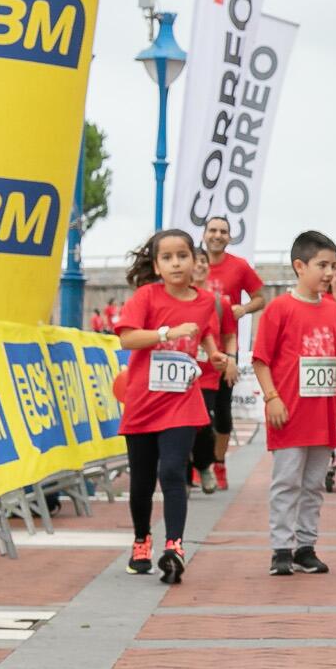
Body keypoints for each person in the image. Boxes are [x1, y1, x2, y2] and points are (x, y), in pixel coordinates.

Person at [113, 229, 222, 585]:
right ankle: (142, 539)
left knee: (174, 471)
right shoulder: (146, 296)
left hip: (181, 402)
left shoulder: (206, 301)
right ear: (157, 266)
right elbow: (127, 336)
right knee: (142, 481)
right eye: (167, 258)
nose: (176, 263)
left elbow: (204, 330)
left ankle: (175, 547)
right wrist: (166, 334)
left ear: (196, 261)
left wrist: (216, 354)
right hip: (143, 402)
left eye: (182, 256)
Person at [252, 230, 336, 577]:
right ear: (299, 266)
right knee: (286, 482)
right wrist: (272, 397)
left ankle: (305, 547)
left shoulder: (335, 312)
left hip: (323, 416)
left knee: (313, 485)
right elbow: (261, 359)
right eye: (322, 265)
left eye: (333, 265)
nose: (329, 273)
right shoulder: (279, 309)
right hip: (289, 413)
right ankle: (281, 548)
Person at [200, 215, 270, 491]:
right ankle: (199, 464)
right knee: (197, 412)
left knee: (223, 412)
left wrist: (243, 309)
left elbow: (260, 297)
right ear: (204, 234)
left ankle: (218, 463)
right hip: (194, 351)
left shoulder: (239, 267)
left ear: (229, 237)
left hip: (226, 349)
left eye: (223, 231)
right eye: (213, 230)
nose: (217, 235)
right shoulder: (194, 265)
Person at [187, 255, 240, 493]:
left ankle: (208, 464)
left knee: (207, 421)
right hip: (182, 373)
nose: (199, 265)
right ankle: (192, 466)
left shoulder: (219, 303)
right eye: (195, 261)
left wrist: (231, 360)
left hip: (210, 373)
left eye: (203, 262)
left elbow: (229, 335)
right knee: (185, 423)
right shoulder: (176, 300)